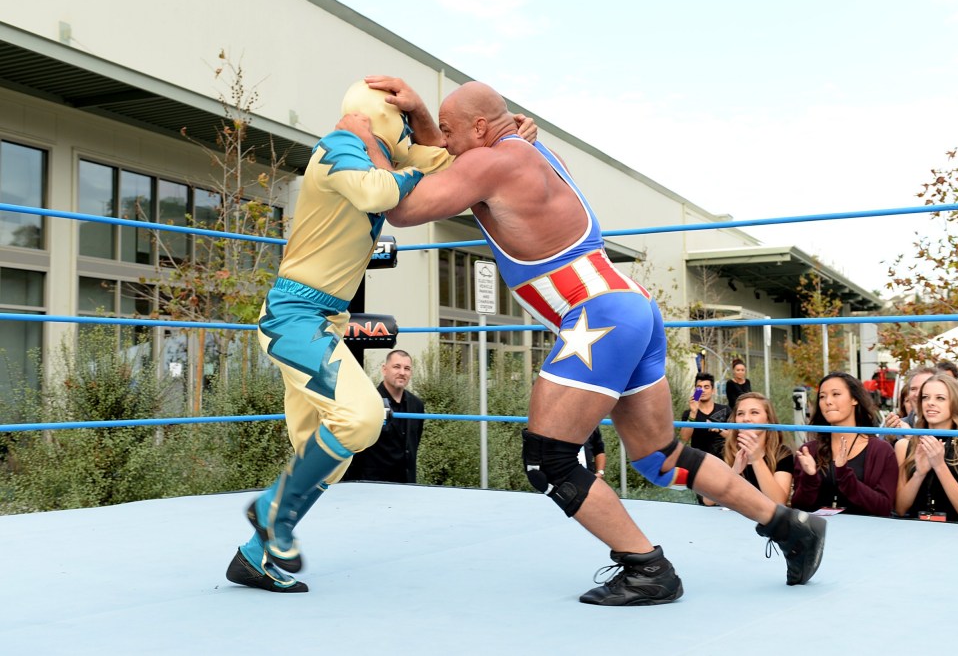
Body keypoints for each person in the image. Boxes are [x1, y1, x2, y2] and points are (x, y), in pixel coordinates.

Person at [369, 76, 826, 605]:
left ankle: (647, 568)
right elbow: (449, 158)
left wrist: (369, 139)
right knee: (660, 457)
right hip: (629, 307)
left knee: (549, 460)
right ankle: (789, 525)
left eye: (449, 130)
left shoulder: (491, 162)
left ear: (478, 127)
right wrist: (426, 116)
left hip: (598, 318)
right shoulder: (528, 151)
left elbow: (401, 207)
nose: (442, 141)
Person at [223, 81, 457, 594]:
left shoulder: (375, 154)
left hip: (321, 320)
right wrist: (404, 169)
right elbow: (382, 193)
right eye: (401, 126)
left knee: (329, 451)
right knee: (361, 418)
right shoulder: (336, 145)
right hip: (293, 315)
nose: (407, 136)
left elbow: (446, 162)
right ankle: (270, 512)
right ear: (375, 124)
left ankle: (253, 556)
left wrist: (418, 109)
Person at [791, 372, 898, 517]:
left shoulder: (882, 451)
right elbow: (798, 507)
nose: (828, 401)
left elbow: (883, 508)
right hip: (819, 534)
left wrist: (844, 474)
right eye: (822, 396)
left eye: (836, 394)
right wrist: (810, 478)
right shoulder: (808, 451)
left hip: (866, 535)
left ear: (854, 399)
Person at [893, 374, 958, 522]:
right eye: (925, 397)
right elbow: (900, 509)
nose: (930, 403)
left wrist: (939, 466)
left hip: (955, 534)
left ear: (955, 403)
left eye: (940, 398)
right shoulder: (904, 446)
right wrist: (919, 473)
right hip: (913, 531)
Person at [344, 349, 426, 484]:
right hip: (372, 485)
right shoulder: (369, 401)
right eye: (396, 367)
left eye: (407, 368)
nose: (402, 372)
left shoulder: (417, 405)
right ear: (384, 369)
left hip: (406, 486)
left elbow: (413, 445)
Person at [703, 392, 793, 507]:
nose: (746, 419)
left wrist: (756, 460)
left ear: (768, 419)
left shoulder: (782, 453)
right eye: (740, 414)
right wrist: (734, 471)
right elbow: (708, 500)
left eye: (754, 412)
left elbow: (779, 502)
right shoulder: (724, 450)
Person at [679, 372, 731, 459]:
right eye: (699, 387)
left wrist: (719, 430)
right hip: (698, 461)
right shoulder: (688, 413)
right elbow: (684, 439)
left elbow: (733, 436)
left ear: (713, 390)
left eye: (706, 387)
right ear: (695, 390)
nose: (702, 390)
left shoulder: (725, 409)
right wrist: (693, 413)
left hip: (722, 461)